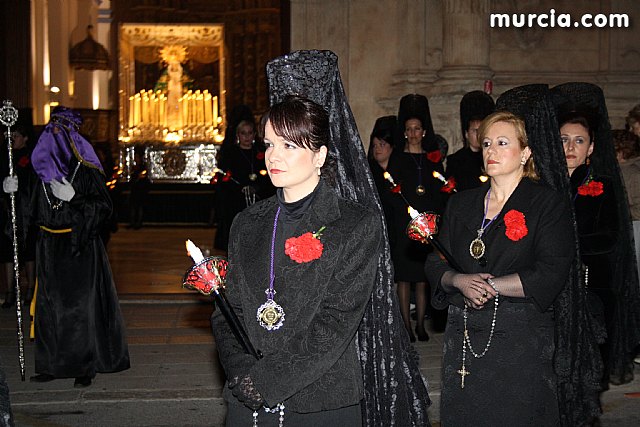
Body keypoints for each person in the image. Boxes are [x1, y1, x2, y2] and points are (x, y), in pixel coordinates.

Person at [212, 50, 431, 426]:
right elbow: (227, 312)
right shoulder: (247, 223)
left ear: (320, 155)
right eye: (269, 144)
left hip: (321, 399)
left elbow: (334, 322)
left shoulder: (355, 224)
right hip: (247, 396)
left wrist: (267, 380)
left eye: (289, 145)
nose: (273, 157)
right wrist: (241, 370)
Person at [427, 84, 603, 427]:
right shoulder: (461, 203)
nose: (491, 150)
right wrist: (458, 280)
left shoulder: (546, 204)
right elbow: (435, 262)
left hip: (520, 338)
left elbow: (551, 271)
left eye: (502, 143)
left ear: (525, 153)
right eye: (487, 143)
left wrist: (490, 286)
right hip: (463, 336)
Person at [27, 106, 130, 387]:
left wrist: (75, 198)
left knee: (77, 308)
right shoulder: (40, 171)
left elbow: (104, 207)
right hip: (48, 244)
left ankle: (83, 365)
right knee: (49, 306)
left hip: (78, 244)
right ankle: (50, 364)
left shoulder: (85, 169)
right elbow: (27, 208)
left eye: (60, 129)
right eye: (51, 128)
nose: (53, 134)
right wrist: (10, 191)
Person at [552, 82, 640, 388]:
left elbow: (609, 237)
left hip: (593, 284)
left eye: (579, 140)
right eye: (563, 140)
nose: (570, 147)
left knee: (589, 370)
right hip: (552, 284)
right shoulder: (544, 185)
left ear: (590, 148)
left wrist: (567, 244)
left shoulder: (603, 185)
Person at [386, 94, 447, 342]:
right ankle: (406, 327)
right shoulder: (398, 158)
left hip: (426, 227)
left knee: (422, 279)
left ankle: (421, 325)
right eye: (409, 129)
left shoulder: (432, 159)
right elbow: (390, 191)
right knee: (404, 279)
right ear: (404, 133)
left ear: (424, 132)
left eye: (417, 129)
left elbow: (440, 191)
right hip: (404, 225)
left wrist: (430, 219)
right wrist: (407, 215)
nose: (413, 133)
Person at [213, 116, 274, 252]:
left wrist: (256, 188)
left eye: (250, 133)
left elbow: (268, 177)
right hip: (235, 200)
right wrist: (240, 188)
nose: (247, 136)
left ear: (254, 134)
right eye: (243, 133)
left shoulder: (261, 153)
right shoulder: (230, 154)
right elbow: (224, 177)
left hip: (258, 198)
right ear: (238, 135)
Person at [0, 124, 37, 307]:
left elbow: (34, 182)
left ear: (25, 138)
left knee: (28, 250)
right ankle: (10, 291)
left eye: (16, 135)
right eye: (11, 135)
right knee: (8, 251)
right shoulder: (4, 155)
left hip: (27, 210)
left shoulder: (32, 157)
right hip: (8, 209)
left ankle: (30, 288)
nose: (13, 138)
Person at [445, 90, 495, 191]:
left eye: (482, 130)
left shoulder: (492, 156)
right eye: (475, 131)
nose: (479, 135)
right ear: (466, 134)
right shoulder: (455, 161)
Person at [367, 115, 398, 236]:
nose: (377, 149)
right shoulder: (370, 173)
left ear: (392, 147)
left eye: (382, 144)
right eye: (374, 145)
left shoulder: (401, 170)